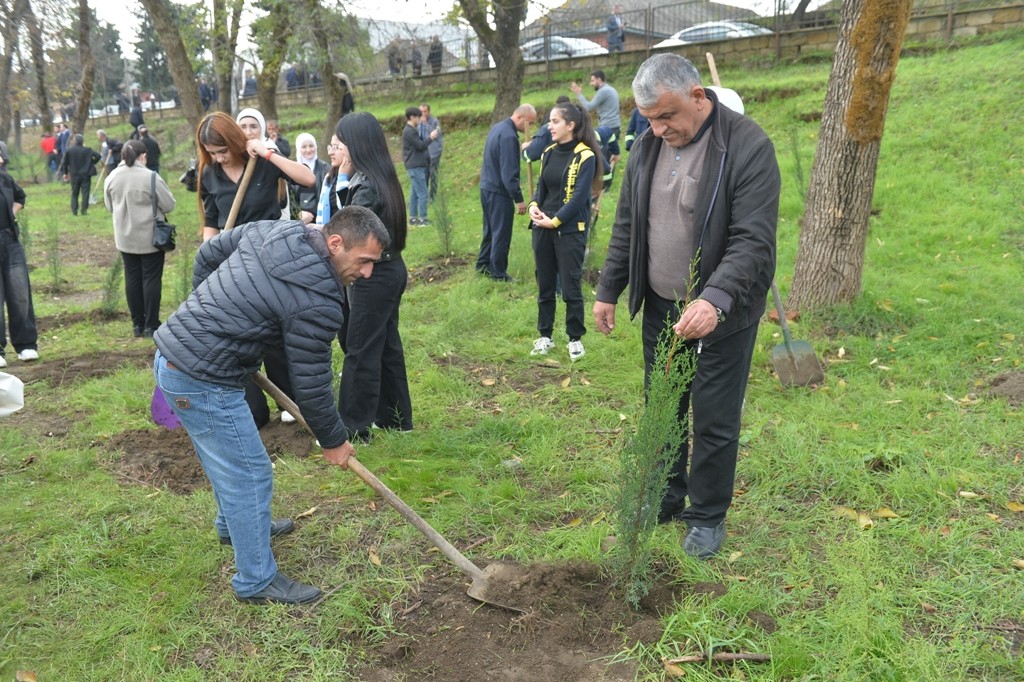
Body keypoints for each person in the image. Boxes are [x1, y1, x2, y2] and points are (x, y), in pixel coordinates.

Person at [593, 54, 780, 559]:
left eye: (666, 116)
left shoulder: (746, 146)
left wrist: (715, 299)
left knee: (713, 417)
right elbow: (628, 224)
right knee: (664, 405)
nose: (656, 129)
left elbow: (752, 240)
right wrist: (609, 288)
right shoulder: (647, 148)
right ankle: (667, 497)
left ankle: (707, 515)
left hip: (724, 312)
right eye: (648, 118)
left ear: (699, 97)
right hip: (661, 307)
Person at [153, 207, 390, 605]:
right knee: (250, 473)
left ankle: (235, 527)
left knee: (226, 458)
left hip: (177, 360)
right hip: (200, 376)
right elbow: (311, 385)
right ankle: (256, 580)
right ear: (335, 243)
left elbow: (208, 255)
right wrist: (334, 440)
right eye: (363, 261)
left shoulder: (277, 231)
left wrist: (206, 308)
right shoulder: (319, 299)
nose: (366, 274)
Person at [196, 112, 315, 426]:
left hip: (272, 260)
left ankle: (288, 400)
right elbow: (210, 223)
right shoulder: (210, 175)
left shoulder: (261, 163)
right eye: (211, 153)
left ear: (235, 142)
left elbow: (308, 179)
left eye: (222, 151)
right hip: (234, 266)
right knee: (241, 334)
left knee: (276, 332)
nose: (218, 158)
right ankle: (249, 404)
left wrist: (267, 151)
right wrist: (207, 255)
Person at [320, 113, 414, 442]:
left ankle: (353, 427)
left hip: (372, 274)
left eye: (340, 142)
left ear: (355, 144)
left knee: (359, 347)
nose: (336, 149)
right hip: (389, 270)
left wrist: (343, 180)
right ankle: (394, 417)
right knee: (385, 344)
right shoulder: (377, 176)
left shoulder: (364, 185)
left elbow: (348, 231)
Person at [528, 102, 602, 363]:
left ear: (571, 125)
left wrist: (555, 221)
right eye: (550, 121)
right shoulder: (547, 152)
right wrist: (533, 207)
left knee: (571, 286)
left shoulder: (586, 156)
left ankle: (575, 339)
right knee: (545, 285)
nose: (550, 126)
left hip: (569, 231)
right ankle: (545, 336)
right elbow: (541, 190)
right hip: (542, 230)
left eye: (555, 121)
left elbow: (580, 198)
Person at [103, 140, 176, 338]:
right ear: (143, 156)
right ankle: (151, 324)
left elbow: (109, 206)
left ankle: (137, 323)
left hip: (124, 238)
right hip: (150, 238)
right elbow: (169, 205)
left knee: (132, 278)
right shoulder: (150, 177)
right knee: (151, 279)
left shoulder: (111, 177)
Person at [475, 104, 537, 282]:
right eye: (530, 123)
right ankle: (499, 273)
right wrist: (519, 199)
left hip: (486, 187)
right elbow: (509, 173)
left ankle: (483, 265)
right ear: (520, 118)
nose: (530, 128)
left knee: (489, 231)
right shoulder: (509, 136)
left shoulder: (498, 128)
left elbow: (499, 155)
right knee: (501, 233)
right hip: (499, 193)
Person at [0, 156, 38, 367]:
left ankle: (26, 345)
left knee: (20, 293)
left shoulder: (5, 179)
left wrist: (10, 214)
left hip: (10, 241)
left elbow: (20, 198)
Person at [571, 70, 621, 162]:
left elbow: (588, 107)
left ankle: (606, 175)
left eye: (593, 80)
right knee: (611, 157)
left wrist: (578, 94)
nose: (591, 84)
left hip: (608, 127)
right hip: (614, 126)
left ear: (599, 79)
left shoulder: (603, 91)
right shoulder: (611, 89)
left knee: (606, 159)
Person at [402, 106, 436, 226]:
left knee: (415, 193)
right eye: (418, 117)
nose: (420, 119)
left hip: (414, 165)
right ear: (412, 117)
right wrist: (431, 137)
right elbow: (420, 145)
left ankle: (412, 218)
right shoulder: (409, 131)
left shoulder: (411, 130)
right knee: (423, 193)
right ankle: (423, 219)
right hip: (415, 165)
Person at [290, 132, 329, 224]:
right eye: (304, 147)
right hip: (297, 221)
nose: (308, 150)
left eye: (311, 146)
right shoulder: (292, 169)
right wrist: (298, 213)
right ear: (298, 149)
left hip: (320, 219)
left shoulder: (325, 168)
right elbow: (289, 196)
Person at [521, 95, 572, 163]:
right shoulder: (579, 120)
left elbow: (531, 154)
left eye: (555, 121)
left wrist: (526, 148)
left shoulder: (547, 128)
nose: (550, 126)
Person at [60, 134, 101, 216]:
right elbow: (98, 156)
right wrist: (91, 163)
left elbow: (65, 163)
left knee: (75, 193)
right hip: (86, 174)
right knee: (85, 192)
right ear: (82, 141)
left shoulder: (69, 150)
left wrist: (65, 173)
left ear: (74, 141)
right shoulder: (88, 150)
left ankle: (74, 211)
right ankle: (84, 210)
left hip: (74, 174)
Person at [419, 103, 443, 201]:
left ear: (429, 111)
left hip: (434, 152)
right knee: (425, 175)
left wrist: (425, 124)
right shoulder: (419, 122)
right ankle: (424, 196)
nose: (423, 114)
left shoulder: (435, 122)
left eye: (425, 111)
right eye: (421, 112)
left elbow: (435, 133)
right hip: (424, 153)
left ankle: (432, 196)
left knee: (433, 174)